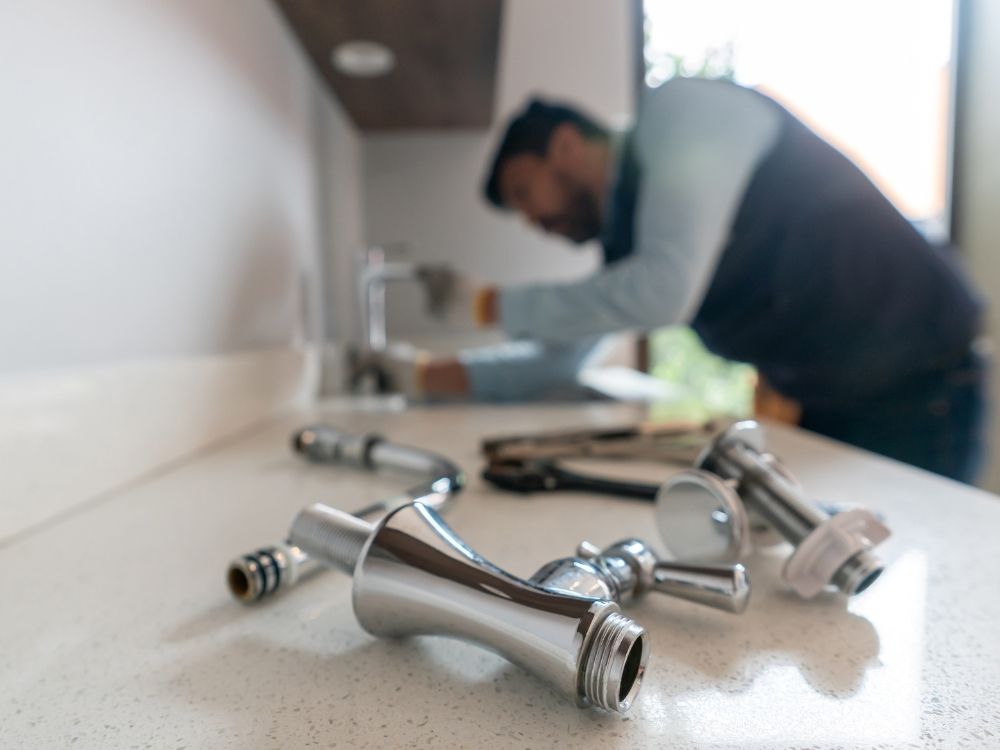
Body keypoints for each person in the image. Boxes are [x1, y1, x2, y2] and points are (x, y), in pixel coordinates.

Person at [373, 76, 986, 483]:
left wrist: (484, 304)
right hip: (838, 402)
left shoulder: (683, 115)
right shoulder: (629, 242)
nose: (533, 220)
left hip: (920, 389)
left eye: (524, 193)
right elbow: (560, 360)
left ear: (564, 145)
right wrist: (424, 374)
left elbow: (664, 291)